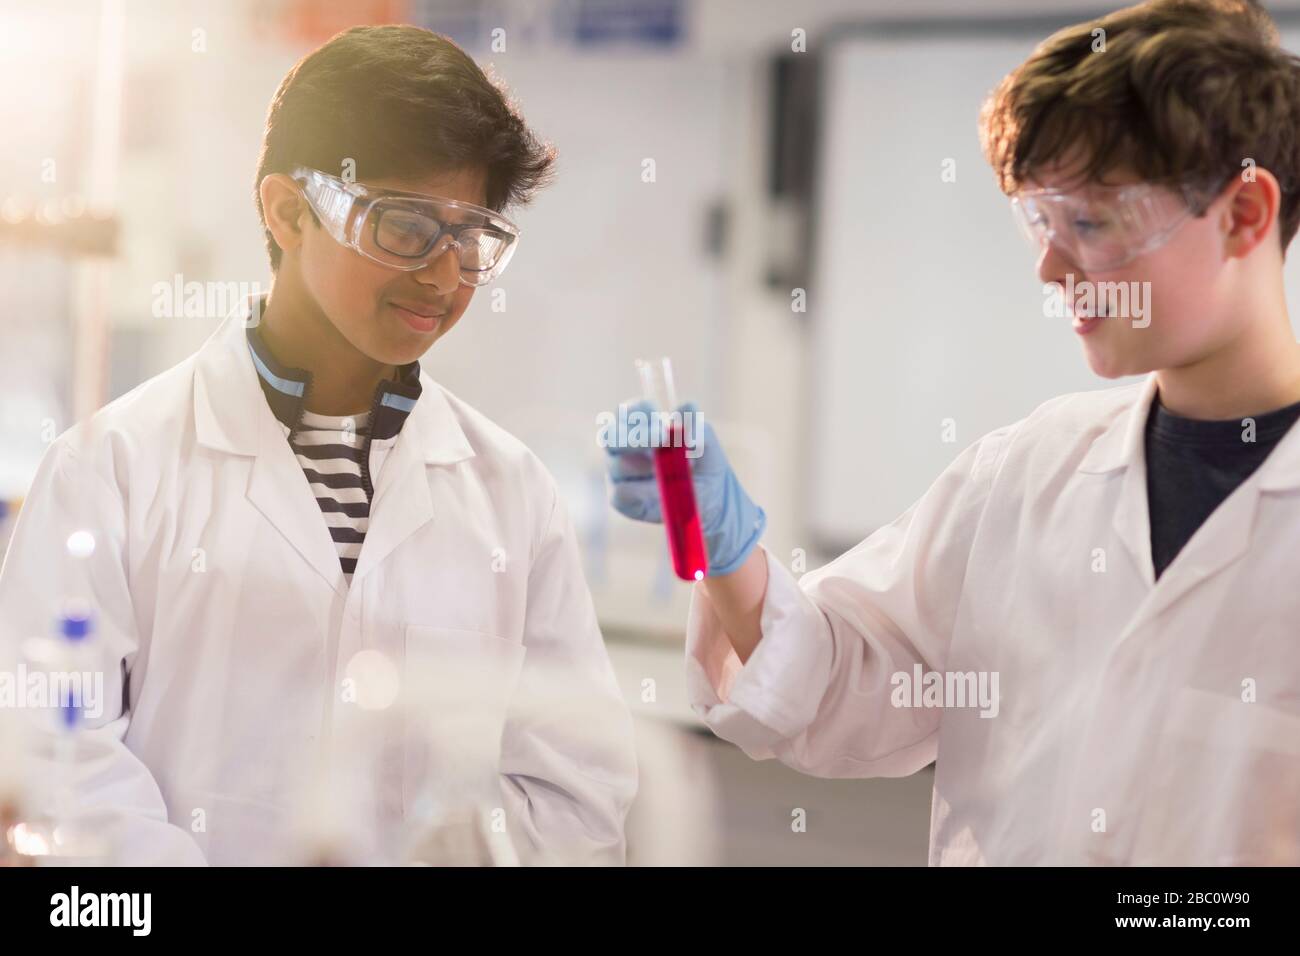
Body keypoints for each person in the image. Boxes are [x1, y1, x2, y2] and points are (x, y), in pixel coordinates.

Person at [606, 0, 1300, 865]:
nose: (1049, 266)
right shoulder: (1029, 473)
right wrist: (725, 546)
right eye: (1041, 222)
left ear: (1243, 213)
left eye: (1090, 222)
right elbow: (835, 684)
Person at [0, 25, 636, 865]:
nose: (444, 277)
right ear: (289, 210)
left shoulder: (511, 495)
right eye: (406, 227)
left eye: (470, 236)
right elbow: (50, 756)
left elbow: (575, 791)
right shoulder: (110, 469)